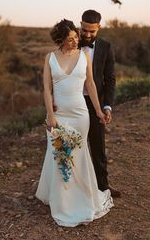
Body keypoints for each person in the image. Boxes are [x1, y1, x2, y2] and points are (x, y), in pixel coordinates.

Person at [36, 19, 113, 227]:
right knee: (59, 154)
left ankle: (80, 195)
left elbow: (90, 84)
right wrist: (50, 115)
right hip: (59, 115)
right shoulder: (49, 58)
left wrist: (98, 110)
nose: (75, 41)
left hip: (80, 115)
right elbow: (46, 89)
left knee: (78, 155)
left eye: (76, 37)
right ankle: (62, 199)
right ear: (60, 40)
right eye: (70, 39)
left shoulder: (85, 56)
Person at [80, 9, 120, 197]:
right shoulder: (71, 43)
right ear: (80, 25)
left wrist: (107, 106)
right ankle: (75, 188)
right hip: (73, 103)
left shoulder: (106, 47)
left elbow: (110, 79)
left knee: (98, 147)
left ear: (99, 28)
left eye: (92, 31)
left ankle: (103, 187)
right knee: (73, 147)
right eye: (84, 30)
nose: (87, 35)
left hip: (96, 103)